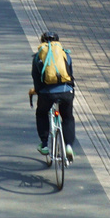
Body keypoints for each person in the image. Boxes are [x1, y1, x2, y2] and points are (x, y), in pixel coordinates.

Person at [30, 31, 77, 161]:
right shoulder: (65, 54)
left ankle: (44, 144)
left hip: (47, 94)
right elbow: (70, 75)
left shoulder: (38, 56)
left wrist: (38, 92)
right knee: (67, 117)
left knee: (41, 113)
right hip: (66, 92)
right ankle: (68, 146)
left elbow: (36, 78)